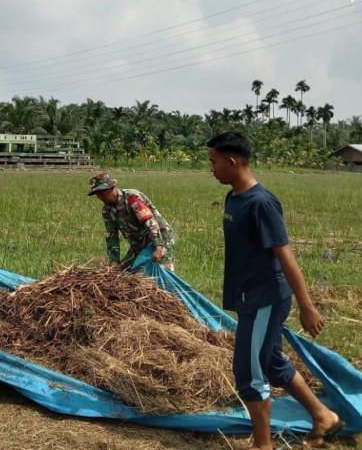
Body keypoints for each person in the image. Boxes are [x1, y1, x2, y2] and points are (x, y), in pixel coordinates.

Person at [207, 132, 343, 449]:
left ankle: (262, 445)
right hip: (248, 297)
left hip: (264, 299)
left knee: (248, 373)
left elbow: (286, 256)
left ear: (231, 161)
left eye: (214, 162)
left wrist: (307, 306)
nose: (211, 169)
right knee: (270, 362)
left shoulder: (261, 203)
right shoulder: (233, 198)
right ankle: (323, 416)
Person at [88, 171, 176, 271]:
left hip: (160, 239)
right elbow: (112, 235)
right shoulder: (107, 210)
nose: (101, 197)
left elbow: (149, 222)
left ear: (112, 188)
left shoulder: (132, 197)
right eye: (97, 194)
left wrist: (159, 247)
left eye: (102, 193)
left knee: (162, 272)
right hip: (138, 245)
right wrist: (114, 260)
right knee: (123, 273)